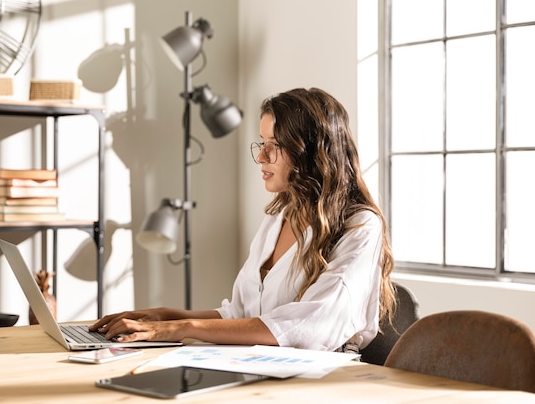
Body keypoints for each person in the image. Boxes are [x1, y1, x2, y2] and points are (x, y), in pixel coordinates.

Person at [90, 87, 395, 351]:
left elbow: (312, 325)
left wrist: (180, 328)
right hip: (257, 366)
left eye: (274, 146)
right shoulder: (279, 217)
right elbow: (241, 314)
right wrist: (164, 316)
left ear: (311, 153)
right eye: (262, 143)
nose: (261, 157)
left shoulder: (359, 226)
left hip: (320, 381)